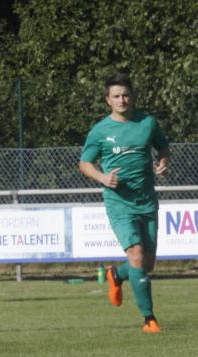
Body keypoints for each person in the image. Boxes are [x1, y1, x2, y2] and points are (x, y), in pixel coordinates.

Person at [79, 72, 170, 334]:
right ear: (108, 100)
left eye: (126, 95)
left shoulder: (148, 123)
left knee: (146, 264)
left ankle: (116, 275)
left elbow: (163, 149)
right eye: (116, 96)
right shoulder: (100, 131)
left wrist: (164, 163)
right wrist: (103, 178)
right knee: (137, 255)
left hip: (147, 202)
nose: (122, 100)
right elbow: (85, 163)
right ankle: (149, 319)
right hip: (119, 204)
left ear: (133, 97)